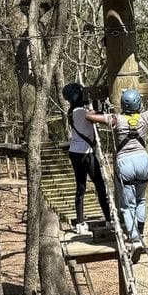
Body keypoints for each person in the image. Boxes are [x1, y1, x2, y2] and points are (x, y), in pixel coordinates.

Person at [87, 88, 148, 247]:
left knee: (127, 206)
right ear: (138, 103)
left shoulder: (115, 119)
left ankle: (134, 240)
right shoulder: (146, 116)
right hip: (143, 162)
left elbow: (89, 117)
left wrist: (94, 111)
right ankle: (140, 233)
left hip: (125, 163)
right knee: (141, 199)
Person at [62, 83, 111, 233]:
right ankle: (109, 219)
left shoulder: (74, 111)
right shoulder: (81, 112)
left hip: (76, 152)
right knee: (99, 186)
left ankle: (80, 222)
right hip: (85, 153)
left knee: (81, 186)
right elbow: (99, 116)